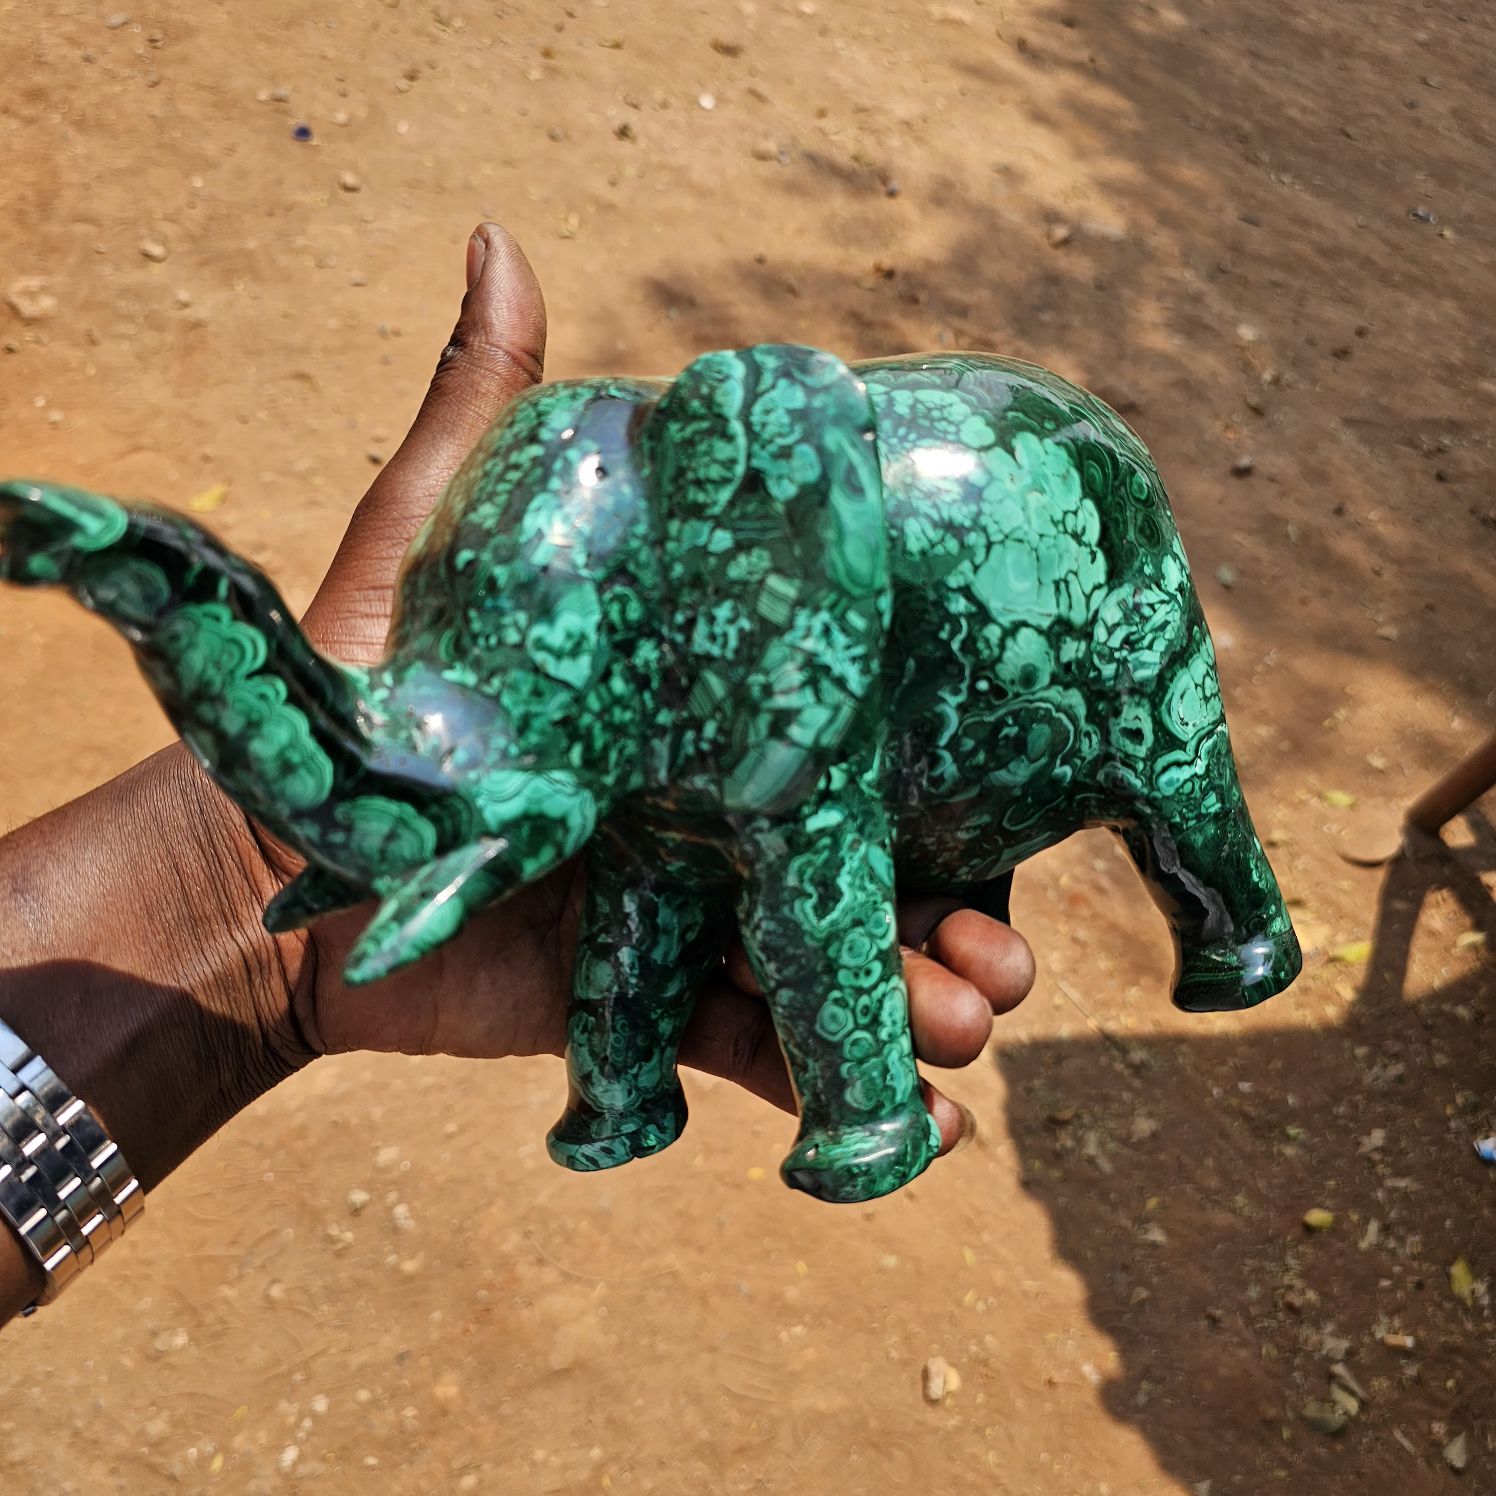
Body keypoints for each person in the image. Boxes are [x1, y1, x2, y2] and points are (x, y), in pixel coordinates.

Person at [0, 225, 1035, 1327]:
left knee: (784, 873)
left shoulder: (774, 663)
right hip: (722, 766)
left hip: (959, 691)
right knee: (670, 871)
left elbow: (804, 826)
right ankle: (626, 1097)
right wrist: (236, 886)